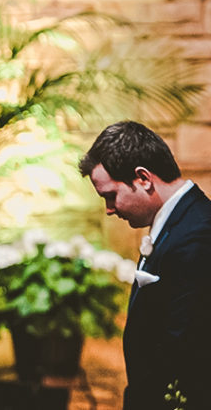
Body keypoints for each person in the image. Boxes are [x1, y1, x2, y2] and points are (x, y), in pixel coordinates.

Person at [79, 120, 211, 410]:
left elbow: (187, 349)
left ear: (143, 178)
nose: (109, 210)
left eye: (111, 196)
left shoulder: (197, 236)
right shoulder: (179, 224)